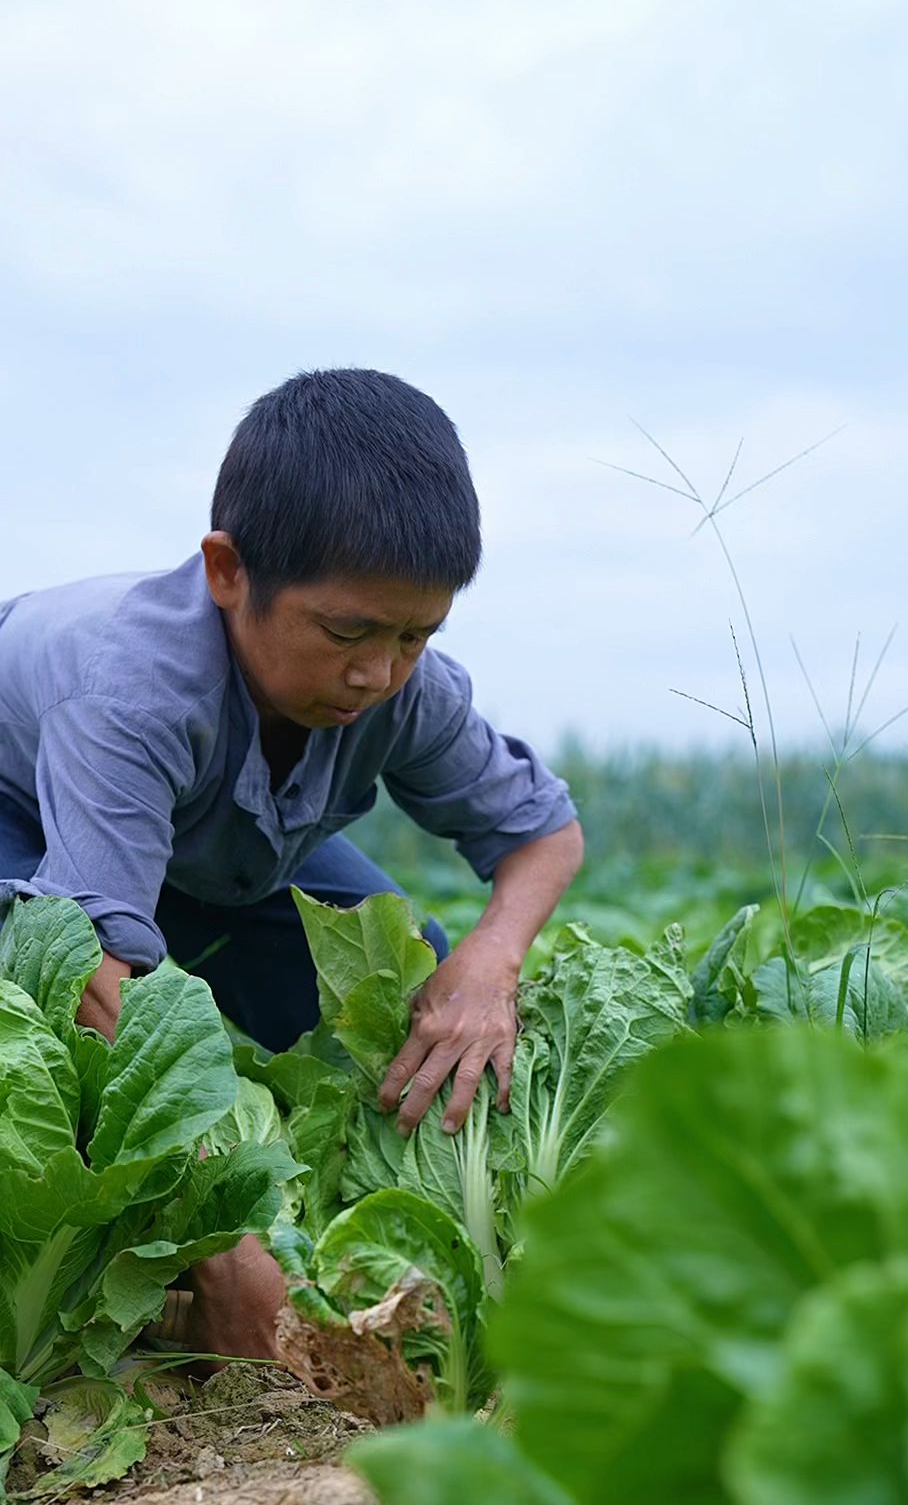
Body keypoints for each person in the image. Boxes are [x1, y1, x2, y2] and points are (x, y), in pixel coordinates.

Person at [0, 367, 584, 1361]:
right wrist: (224, 1242)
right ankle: (138, 1278)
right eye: (348, 632)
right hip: (28, 832)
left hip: (210, 856)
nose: (377, 673)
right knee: (40, 1031)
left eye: (415, 635)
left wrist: (491, 965)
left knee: (416, 991)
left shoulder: (402, 683)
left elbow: (543, 834)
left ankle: (361, 1242)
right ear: (229, 571)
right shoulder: (129, 692)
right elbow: (100, 982)